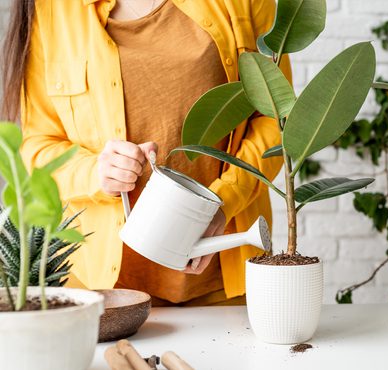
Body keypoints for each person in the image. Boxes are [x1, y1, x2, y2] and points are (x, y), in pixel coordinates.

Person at [1, 0, 291, 306]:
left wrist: (223, 202)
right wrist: (96, 173)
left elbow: (276, 118)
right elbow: (38, 146)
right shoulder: (55, 10)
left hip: (220, 276)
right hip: (102, 292)